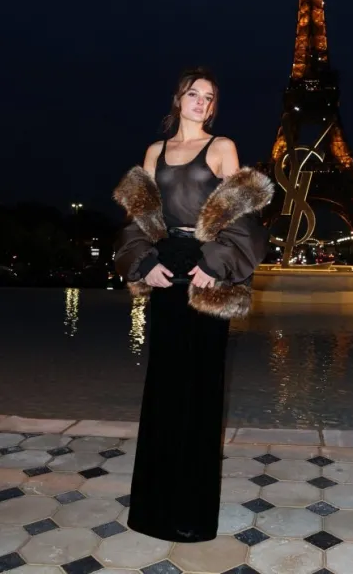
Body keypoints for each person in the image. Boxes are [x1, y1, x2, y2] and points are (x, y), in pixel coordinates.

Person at [113, 68, 273, 543]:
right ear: (178, 98)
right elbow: (139, 218)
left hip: (208, 271)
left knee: (200, 390)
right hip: (167, 269)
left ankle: (191, 516)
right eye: (193, 94)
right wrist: (144, 264)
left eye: (209, 97)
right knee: (163, 388)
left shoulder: (221, 146)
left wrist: (217, 262)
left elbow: (242, 212)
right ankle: (152, 510)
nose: (201, 102)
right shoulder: (154, 152)